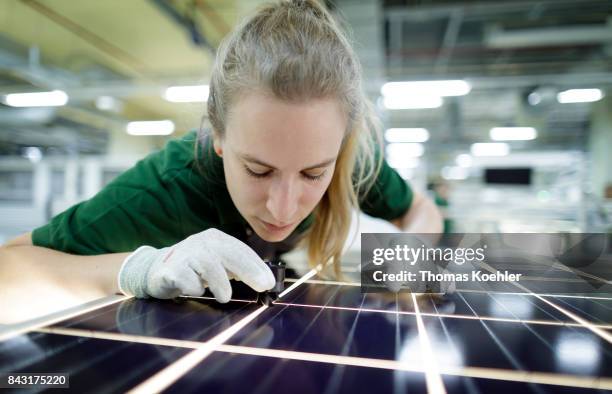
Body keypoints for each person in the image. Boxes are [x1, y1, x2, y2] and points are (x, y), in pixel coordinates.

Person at [0, 0, 442, 306]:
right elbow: (10, 268)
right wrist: (142, 268)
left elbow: (421, 211)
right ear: (218, 135)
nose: (282, 207)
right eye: (257, 169)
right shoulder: (164, 189)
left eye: (312, 175)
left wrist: (411, 255)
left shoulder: (352, 160)